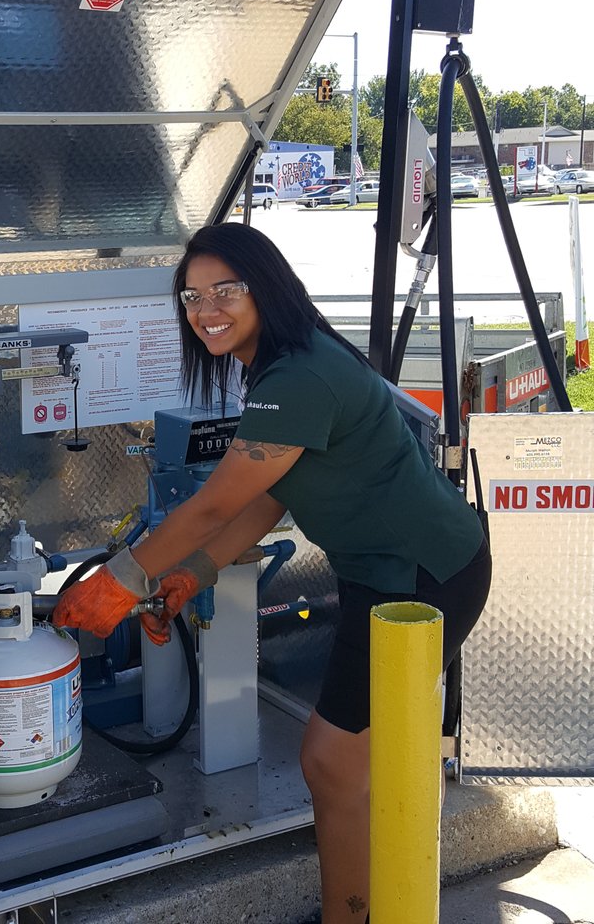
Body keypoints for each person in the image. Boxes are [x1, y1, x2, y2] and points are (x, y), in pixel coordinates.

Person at [52, 222, 491, 924]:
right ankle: (372, 900)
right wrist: (195, 572)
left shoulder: (298, 375)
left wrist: (118, 582)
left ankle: (352, 913)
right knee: (352, 762)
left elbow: (212, 506)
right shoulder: (278, 363)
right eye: (192, 296)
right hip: (387, 571)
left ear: (267, 288)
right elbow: (271, 494)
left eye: (225, 290)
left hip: (421, 575)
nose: (207, 310)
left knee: (329, 762)